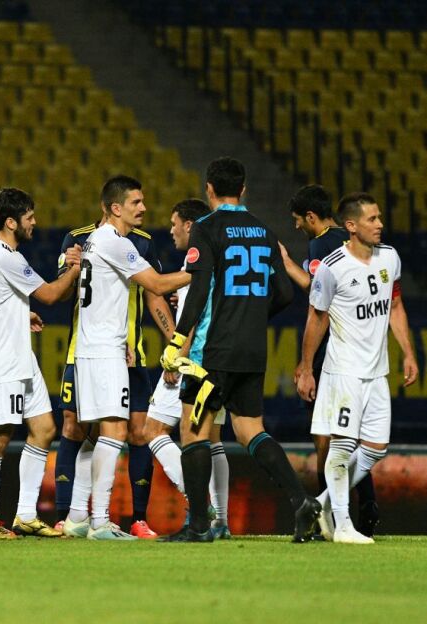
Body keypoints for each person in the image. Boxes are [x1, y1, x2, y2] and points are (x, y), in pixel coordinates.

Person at [159, 157, 320, 543]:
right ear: (243, 189)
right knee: (250, 431)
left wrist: (177, 341)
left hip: (212, 350)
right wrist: (252, 316)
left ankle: (199, 526)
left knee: (193, 432)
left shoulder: (206, 227)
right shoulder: (264, 231)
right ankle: (301, 501)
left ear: (209, 189)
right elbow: (284, 293)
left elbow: (198, 290)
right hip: (252, 349)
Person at [63, 177, 189, 540]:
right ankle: (100, 522)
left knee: (99, 434)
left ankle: (79, 517)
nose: (143, 208)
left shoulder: (94, 240)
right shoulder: (114, 242)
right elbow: (158, 285)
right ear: (115, 208)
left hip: (95, 347)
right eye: (136, 202)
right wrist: (200, 271)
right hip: (104, 351)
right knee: (115, 431)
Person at [296, 192, 418, 544]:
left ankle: (320, 505)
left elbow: (395, 306)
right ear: (351, 225)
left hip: (377, 370)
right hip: (344, 370)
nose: (380, 224)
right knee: (342, 445)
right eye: (372, 219)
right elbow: (316, 317)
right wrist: (306, 367)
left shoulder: (389, 257)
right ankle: (343, 525)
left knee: (376, 447)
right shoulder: (332, 267)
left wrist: (408, 353)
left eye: (379, 217)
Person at [0, 187, 81, 539]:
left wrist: (21, 315)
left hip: (19, 356)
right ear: (11, 222)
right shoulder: (5, 256)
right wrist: (73, 269)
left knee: (45, 428)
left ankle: (25, 515)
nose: (34, 222)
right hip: (2, 360)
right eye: (29, 217)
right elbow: (50, 294)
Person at [279, 185, 379, 537]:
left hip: (331, 353)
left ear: (311, 217)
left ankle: (331, 513)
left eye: (298, 220)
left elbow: (317, 292)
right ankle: (366, 506)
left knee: (326, 439)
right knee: (348, 438)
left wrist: (287, 264)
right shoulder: (352, 240)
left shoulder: (322, 244)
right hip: (359, 350)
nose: (296, 226)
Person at [144, 198, 232, 539]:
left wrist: (177, 352)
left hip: (192, 358)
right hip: (219, 357)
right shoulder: (220, 256)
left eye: (174, 223)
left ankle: (199, 503)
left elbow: (196, 314)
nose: (171, 230)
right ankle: (220, 521)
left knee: (153, 430)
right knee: (212, 436)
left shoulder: (198, 257)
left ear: (190, 225)